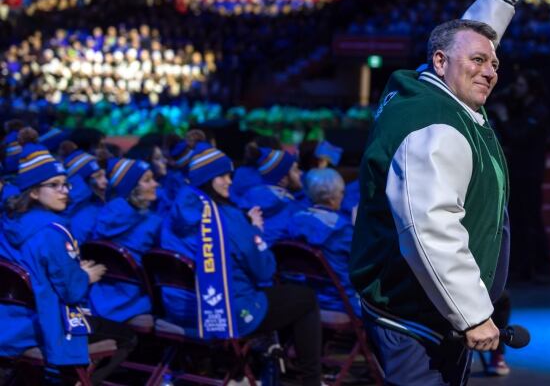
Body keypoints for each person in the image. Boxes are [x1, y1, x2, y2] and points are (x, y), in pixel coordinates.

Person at [349, 0, 522, 385]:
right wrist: (471, 315)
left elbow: (465, 41)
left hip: (428, 308)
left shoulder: (421, 83)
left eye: (495, 65)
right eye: (481, 63)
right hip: (416, 315)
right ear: (441, 62)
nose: (490, 71)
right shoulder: (434, 125)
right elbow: (429, 228)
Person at [160, 141, 323, 385]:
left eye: (229, 175)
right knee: (305, 299)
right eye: (222, 176)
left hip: (178, 310)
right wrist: (255, 232)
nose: (229, 181)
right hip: (227, 313)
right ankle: (310, 381)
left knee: (275, 296)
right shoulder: (227, 218)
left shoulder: (173, 215)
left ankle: (255, 365)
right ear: (207, 179)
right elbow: (264, 270)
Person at [1, 128, 136, 384]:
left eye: (65, 184)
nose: (64, 191)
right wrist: (85, 276)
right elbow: (71, 292)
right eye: (54, 185)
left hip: (8, 325)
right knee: (127, 338)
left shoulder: (8, 222)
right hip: (43, 326)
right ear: (32, 192)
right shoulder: (53, 232)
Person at [491, 69, 550, 284]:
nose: (515, 89)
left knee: (531, 221)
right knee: (518, 221)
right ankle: (523, 268)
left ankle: (543, 268)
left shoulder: (538, 111)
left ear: (531, 88)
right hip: (517, 172)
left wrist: (503, 118)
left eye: (520, 85)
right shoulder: (521, 109)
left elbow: (518, 136)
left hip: (529, 173)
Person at [89, 157, 161, 323]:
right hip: (136, 302)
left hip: (98, 301)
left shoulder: (100, 216)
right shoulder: (154, 224)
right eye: (147, 180)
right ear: (132, 189)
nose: (155, 184)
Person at [286, 168, 360, 314]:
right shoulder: (341, 231)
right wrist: (359, 229)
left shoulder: (294, 221)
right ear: (332, 199)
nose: (342, 197)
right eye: (341, 193)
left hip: (307, 296)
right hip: (340, 303)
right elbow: (362, 265)